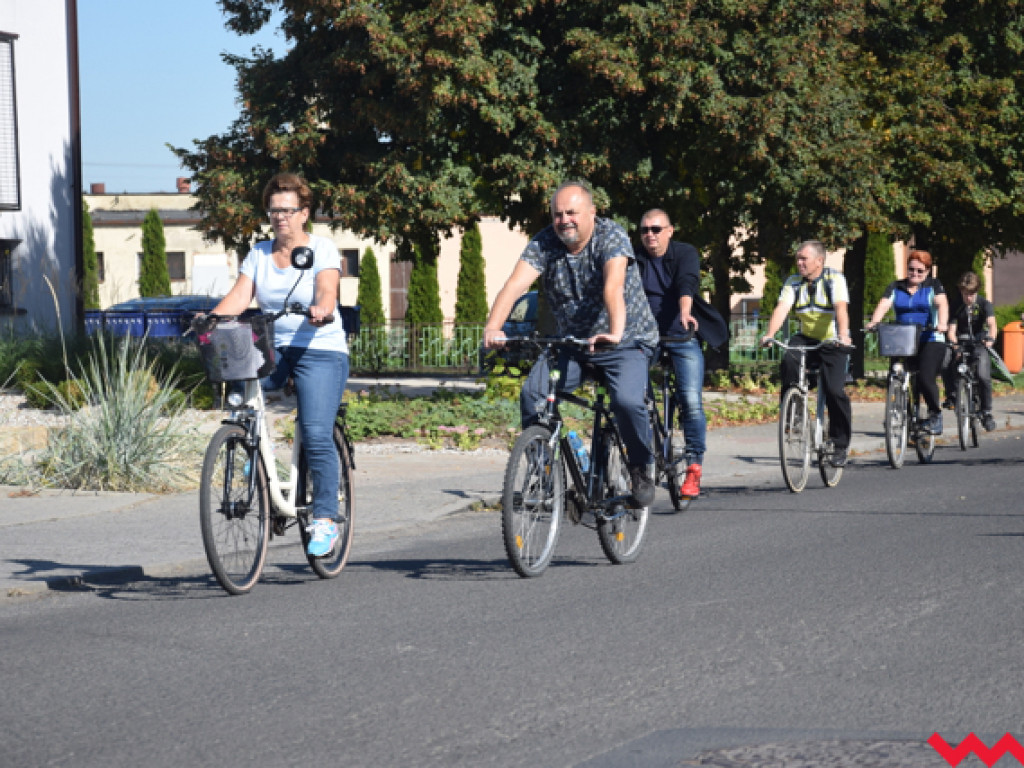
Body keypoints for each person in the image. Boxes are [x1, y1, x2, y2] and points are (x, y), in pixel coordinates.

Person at [483, 181, 661, 506]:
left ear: (592, 213)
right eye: (558, 214)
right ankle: (544, 472)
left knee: (625, 401)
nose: (565, 220)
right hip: (573, 344)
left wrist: (615, 332)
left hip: (625, 340)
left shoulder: (611, 236)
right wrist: (493, 327)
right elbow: (515, 284)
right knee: (533, 394)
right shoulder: (545, 243)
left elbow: (613, 286)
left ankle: (639, 467)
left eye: (572, 213)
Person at [210, 172, 349, 557]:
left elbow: (326, 288)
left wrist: (323, 308)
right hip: (272, 347)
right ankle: (253, 461)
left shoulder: (321, 248)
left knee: (315, 431)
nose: (279, 217)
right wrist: (208, 319)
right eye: (274, 211)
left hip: (320, 347)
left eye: (287, 210)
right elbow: (240, 297)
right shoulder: (258, 253)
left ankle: (324, 517)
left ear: (304, 213)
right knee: (242, 406)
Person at [633, 208, 728, 500]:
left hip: (682, 333)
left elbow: (687, 282)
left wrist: (686, 313)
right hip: (647, 338)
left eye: (656, 229)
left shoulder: (685, 253)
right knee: (633, 395)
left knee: (690, 400)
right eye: (645, 230)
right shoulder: (633, 258)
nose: (650, 234)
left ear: (670, 231)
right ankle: (642, 453)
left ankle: (694, 467)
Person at [760, 240, 853, 467]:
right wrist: (770, 334)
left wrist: (843, 335)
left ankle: (840, 444)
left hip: (832, 340)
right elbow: (782, 308)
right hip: (807, 337)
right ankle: (794, 412)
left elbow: (841, 308)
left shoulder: (834, 280)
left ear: (819, 261)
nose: (799, 263)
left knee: (834, 390)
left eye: (804, 259)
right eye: (798, 259)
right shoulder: (793, 283)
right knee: (789, 358)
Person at [866, 248, 949, 434]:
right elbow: (884, 304)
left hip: (930, 338)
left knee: (926, 379)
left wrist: (942, 323)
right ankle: (904, 415)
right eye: (911, 269)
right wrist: (874, 321)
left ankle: (935, 415)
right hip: (903, 339)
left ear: (928, 271)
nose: (915, 274)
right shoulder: (896, 287)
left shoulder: (933, 285)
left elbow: (942, 304)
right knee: (895, 376)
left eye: (920, 271)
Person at [943, 272, 998, 431]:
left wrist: (990, 339)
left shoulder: (984, 304)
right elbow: (951, 330)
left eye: (971, 294)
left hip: (979, 342)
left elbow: (992, 325)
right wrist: (954, 344)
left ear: (977, 291)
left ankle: (986, 412)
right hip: (961, 341)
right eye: (965, 293)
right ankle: (952, 395)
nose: (968, 297)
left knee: (982, 375)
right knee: (946, 360)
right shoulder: (956, 305)